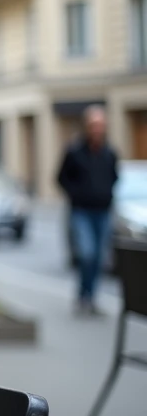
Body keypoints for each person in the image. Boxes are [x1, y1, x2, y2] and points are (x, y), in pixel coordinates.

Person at [57, 104, 119, 316]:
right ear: (87, 126)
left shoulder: (109, 152)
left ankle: (90, 298)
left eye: (101, 124)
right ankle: (83, 294)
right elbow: (61, 177)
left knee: (99, 258)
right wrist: (76, 194)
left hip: (103, 211)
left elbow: (114, 177)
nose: (97, 129)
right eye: (94, 124)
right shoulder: (74, 151)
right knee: (87, 253)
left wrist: (107, 194)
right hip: (82, 211)